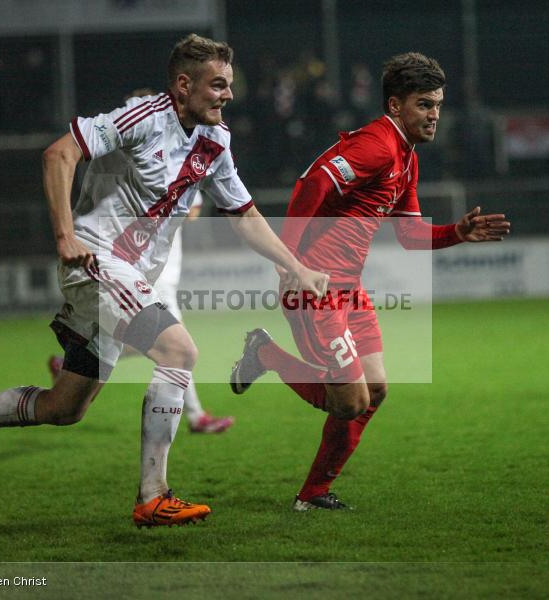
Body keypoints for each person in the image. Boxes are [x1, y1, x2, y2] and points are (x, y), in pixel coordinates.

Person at [0, 34, 328, 529]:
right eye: (217, 85)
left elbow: (245, 214)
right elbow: (58, 155)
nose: (228, 95)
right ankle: (154, 495)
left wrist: (294, 266)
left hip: (124, 277)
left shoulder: (215, 142)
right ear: (184, 85)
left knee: (64, 406)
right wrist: (65, 236)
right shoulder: (144, 117)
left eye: (229, 85)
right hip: (97, 262)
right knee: (179, 352)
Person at [230, 52, 510, 511]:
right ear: (396, 105)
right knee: (349, 402)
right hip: (316, 288)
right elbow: (312, 185)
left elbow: (410, 235)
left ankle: (313, 494)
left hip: (349, 289)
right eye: (424, 104)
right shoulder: (377, 145)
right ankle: (263, 353)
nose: (434, 114)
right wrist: (290, 260)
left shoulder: (407, 158)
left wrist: (456, 234)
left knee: (374, 390)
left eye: (438, 104)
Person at [48, 196, 235, 434]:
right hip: (157, 280)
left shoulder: (173, 172)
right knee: (179, 349)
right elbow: (192, 213)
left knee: (160, 346)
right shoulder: (166, 175)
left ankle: (66, 363)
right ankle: (196, 416)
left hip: (157, 275)